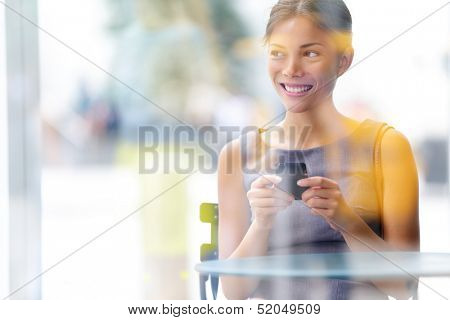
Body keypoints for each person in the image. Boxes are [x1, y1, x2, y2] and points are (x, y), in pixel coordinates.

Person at [217, 0, 420, 300]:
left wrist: (346, 221)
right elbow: (233, 291)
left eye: (310, 53)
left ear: (343, 61)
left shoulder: (386, 147)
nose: (291, 69)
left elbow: (405, 286)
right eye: (277, 53)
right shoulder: (237, 156)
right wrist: (261, 224)